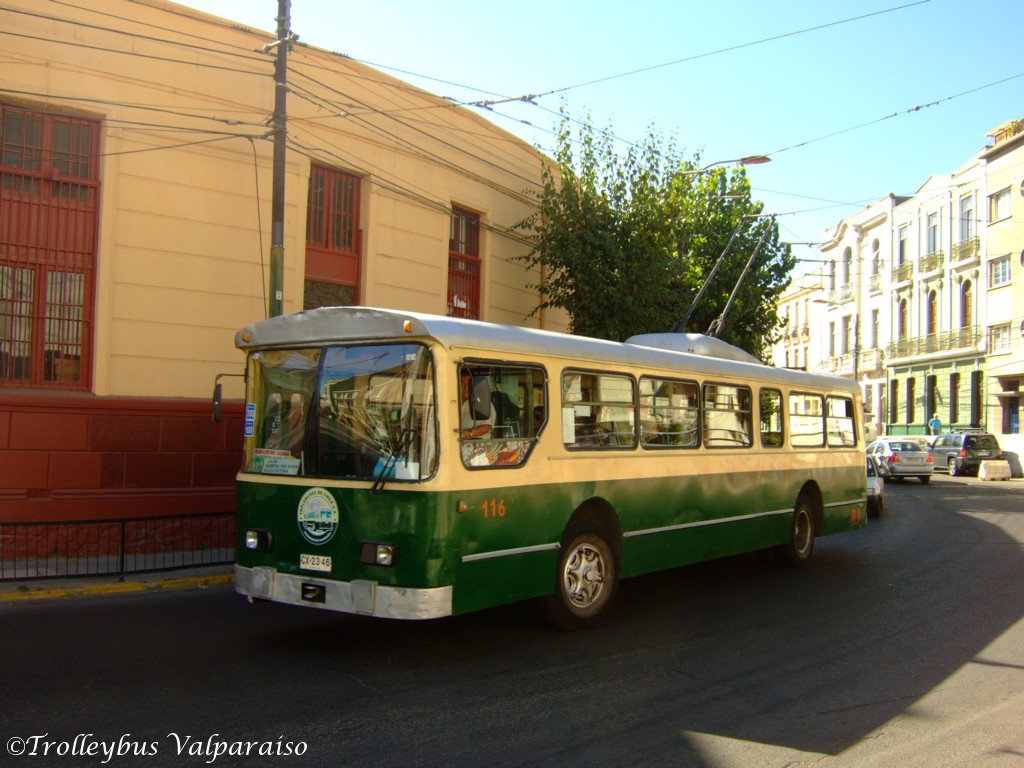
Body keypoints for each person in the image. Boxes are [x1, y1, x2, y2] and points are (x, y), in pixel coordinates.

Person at [460, 371, 494, 439]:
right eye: (462, 383)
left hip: (478, 445)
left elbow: (486, 427)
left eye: (469, 384)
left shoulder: (483, 402)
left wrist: (470, 433)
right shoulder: (450, 403)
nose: (466, 387)